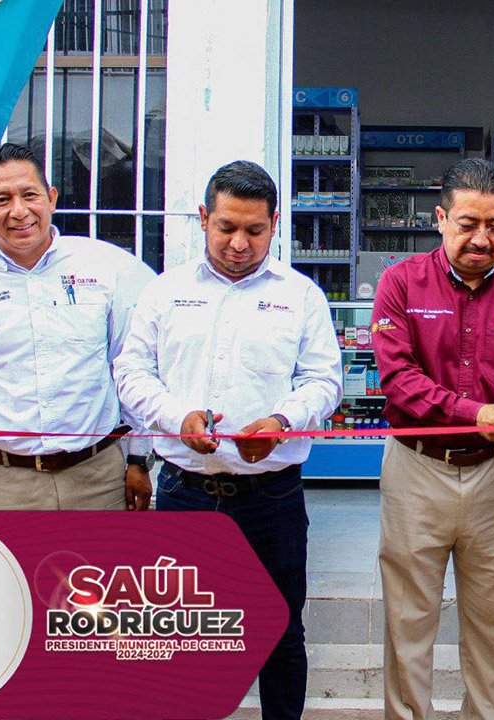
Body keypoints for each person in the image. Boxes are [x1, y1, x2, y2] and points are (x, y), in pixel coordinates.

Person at [114, 159, 341, 720]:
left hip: (274, 497)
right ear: (203, 219)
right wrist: (176, 418)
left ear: (275, 223)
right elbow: (132, 373)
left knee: (282, 633)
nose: (240, 244)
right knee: (180, 637)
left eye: (255, 231)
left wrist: (283, 421)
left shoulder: (301, 295)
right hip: (186, 493)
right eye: (226, 228)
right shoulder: (164, 292)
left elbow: (323, 380)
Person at [371, 157, 494, 720]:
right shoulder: (400, 282)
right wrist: (471, 411)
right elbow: (399, 380)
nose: (482, 239)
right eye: (468, 223)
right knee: (408, 620)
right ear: (440, 218)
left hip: (493, 476)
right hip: (416, 470)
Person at [0, 143, 155, 510]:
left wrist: (139, 458)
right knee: (8, 569)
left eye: (30, 195)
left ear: (51, 197)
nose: (19, 211)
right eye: (1, 200)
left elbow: (131, 367)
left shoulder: (105, 267)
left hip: (99, 475)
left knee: (102, 569)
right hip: (5, 480)